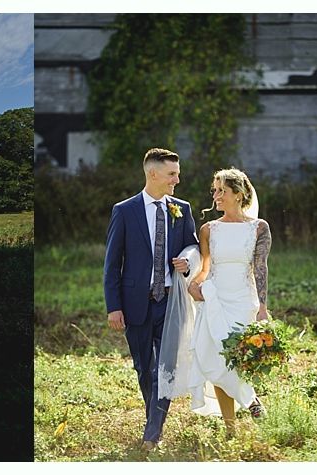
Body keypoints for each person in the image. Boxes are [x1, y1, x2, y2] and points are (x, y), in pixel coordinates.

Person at [103, 148, 199, 450]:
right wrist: (114, 306)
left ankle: (152, 434)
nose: (178, 180)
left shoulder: (182, 208)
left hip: (171, 302)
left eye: (178, 173)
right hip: (135, 303)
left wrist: (187, 259)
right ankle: (153, 421)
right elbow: (112, 263)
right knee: (145, 369)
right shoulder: (124, 210)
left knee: (164, 368)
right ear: (153, 174)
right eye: (172, 174)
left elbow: (194, 247)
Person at [184, 168, 270, 433]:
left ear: (239, 193)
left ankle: (249, 398)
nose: (216, 195)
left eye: (222, 190)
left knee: (236, 359)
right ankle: (233, 423)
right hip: (216, 299)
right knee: (216, 360)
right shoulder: (209, 229)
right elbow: (206, 267)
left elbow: (260, 269)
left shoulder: (259, 228)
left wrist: (263, 308)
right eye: (215, 190)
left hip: (244, 301)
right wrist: (193, 284)